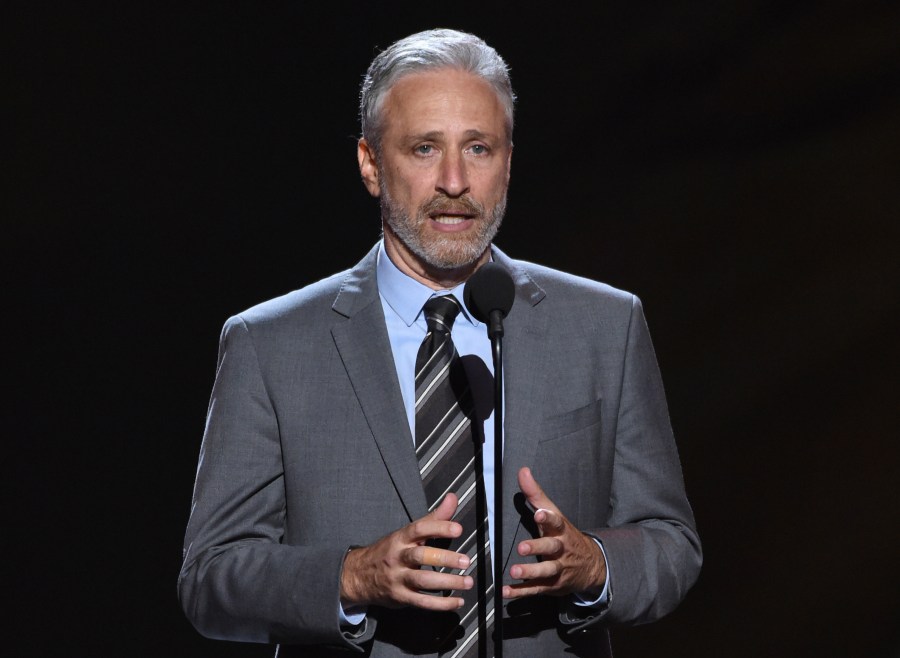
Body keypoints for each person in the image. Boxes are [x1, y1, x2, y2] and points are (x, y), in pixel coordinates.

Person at [178, 29, 701, 657]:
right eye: (425, 148)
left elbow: (671, 544)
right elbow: (210, 579)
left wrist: (593, 565)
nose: (455, 181)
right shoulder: (269, 345)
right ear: (371, 164)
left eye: (478, 148)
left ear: (508, 161)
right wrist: (352, 577)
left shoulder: (604, 327)